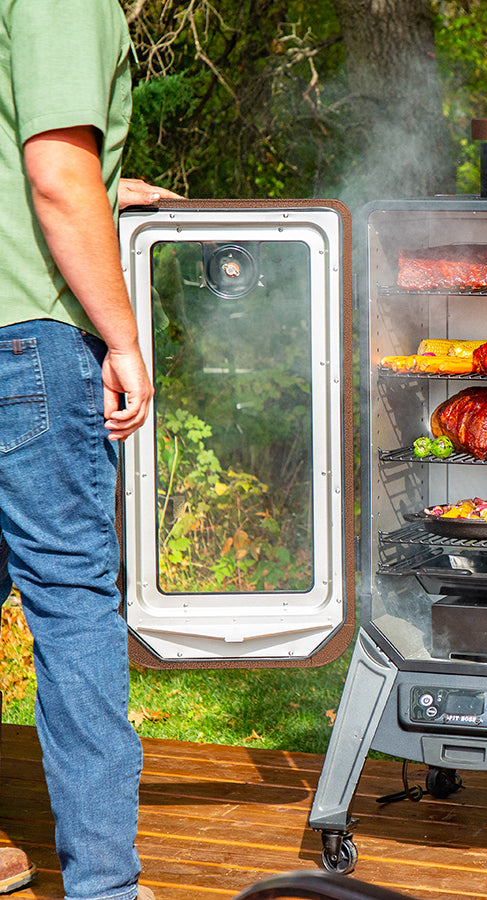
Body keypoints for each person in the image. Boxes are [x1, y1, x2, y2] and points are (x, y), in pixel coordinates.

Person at [0, 2, 178, 898]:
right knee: (72, 605)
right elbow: (55, 177)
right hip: (24, 343)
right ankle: (107, 888)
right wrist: (123, 338)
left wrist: (108, 195)